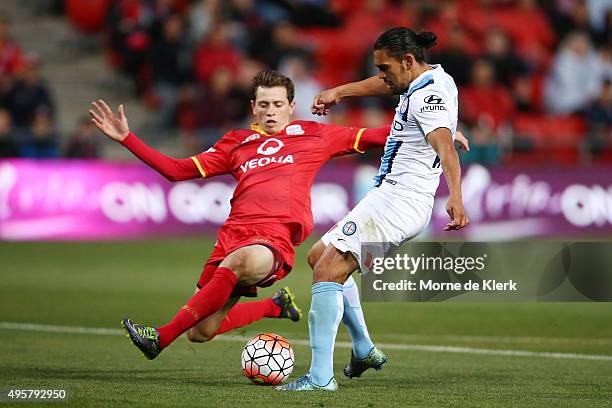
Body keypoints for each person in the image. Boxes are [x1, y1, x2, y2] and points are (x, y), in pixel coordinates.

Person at [88, 70, 394, 360]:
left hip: (272, 240)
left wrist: (427, 119)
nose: (271, 111)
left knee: (240, 262)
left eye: (277, 104)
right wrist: (128, 139)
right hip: (230, 238)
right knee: (200, 331)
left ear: (291, 106)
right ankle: (275, 307)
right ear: (253, 108)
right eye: (264, 105)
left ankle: (160, 337)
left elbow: (379, 136)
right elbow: (175, 171)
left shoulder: (315, 135)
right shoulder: (234, 143)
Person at [279, 27, 469, 391]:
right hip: (391, 196)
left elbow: (444, 146)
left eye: (385, 67)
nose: (382, 75)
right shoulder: (429, 80)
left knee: (328, 271)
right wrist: (340, 92)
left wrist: (456, 196)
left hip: (401, 201)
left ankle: (320, 379)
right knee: (319, 256)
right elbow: (391, 88)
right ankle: (363, 348)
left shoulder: (430, 95)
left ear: (408, 61)